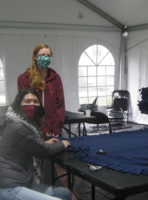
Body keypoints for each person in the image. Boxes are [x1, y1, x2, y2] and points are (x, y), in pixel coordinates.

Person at [17, 44, 80, 200]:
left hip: (54, 130)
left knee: (61, 164)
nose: (46, 58)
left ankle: (73, 194)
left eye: (48, 55)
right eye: (42, 54)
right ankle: (39, 195)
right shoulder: (24, 79)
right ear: (35, 56)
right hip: (34, 130)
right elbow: (27, 107)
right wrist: (44, 131)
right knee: (37, 166)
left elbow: (60, 105)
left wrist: (56, 128)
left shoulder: (55, 78)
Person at [0, 88, 71, 200]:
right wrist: (62, 144)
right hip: (8, 185)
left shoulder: (19, 121)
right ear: (19, 104)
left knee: (65, 193)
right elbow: (44, 150)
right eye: (27, 101)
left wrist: (42, 142)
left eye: (35, 101)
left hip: (18, 179)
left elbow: (30, 143)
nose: (32, 104)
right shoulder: (19, 126)